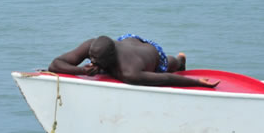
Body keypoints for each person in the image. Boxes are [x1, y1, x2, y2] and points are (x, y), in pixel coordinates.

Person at [48, 35, 218, 88]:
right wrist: (82, 71)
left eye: (97, 61)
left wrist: (198, 82)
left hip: (152, 53)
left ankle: (180, 60)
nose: (92, 61)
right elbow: (55, 65)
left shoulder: (130, 72)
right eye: (91, 57)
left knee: (169, 66)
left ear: (110, 59)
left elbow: (166, 79)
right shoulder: (94, 46)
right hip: (127, 40)